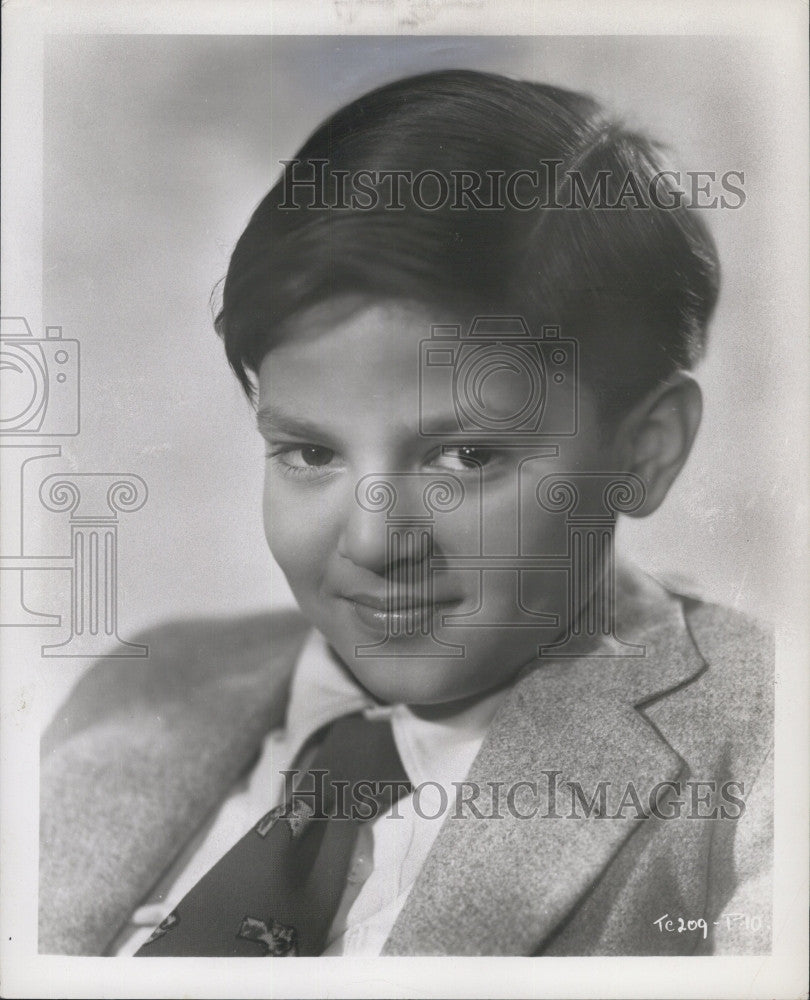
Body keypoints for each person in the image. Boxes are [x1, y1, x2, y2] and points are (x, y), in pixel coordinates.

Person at [39, 69, 773, 957]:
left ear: (642, 452)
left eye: (468, 457)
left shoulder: (765, 755)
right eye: (310, 454)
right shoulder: (136, 690)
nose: (374, 541)